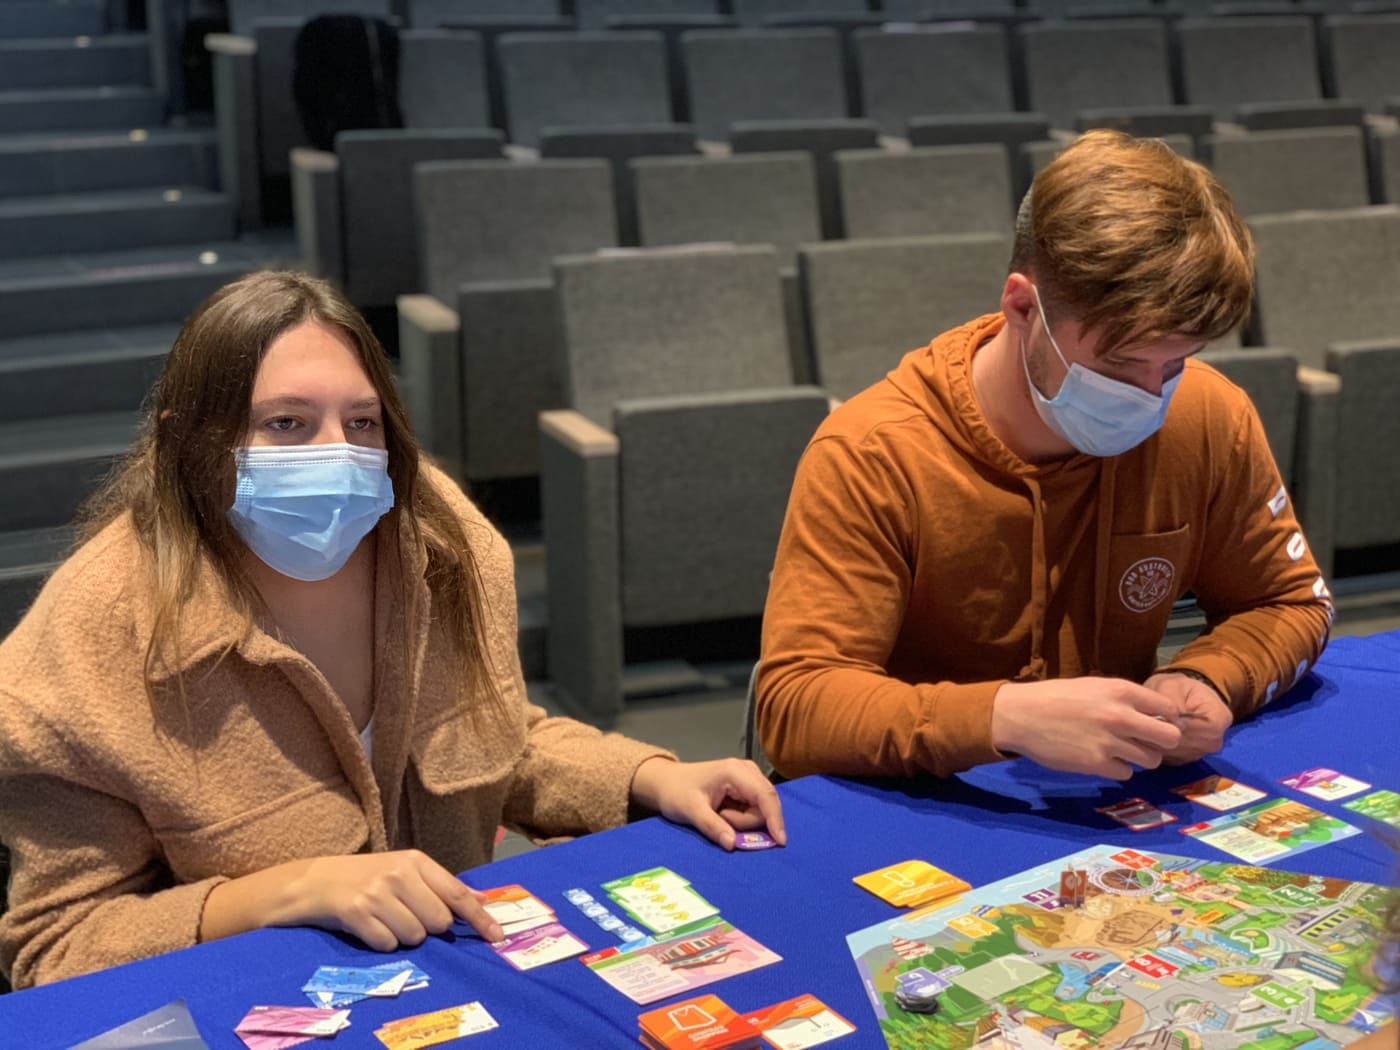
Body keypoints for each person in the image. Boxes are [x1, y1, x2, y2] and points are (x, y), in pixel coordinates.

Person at [0, 271, 784, 990]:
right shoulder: (83, 648)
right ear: (187, 443)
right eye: (286, 423)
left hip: (452, 985)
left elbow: (496, 738)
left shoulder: (445, 542)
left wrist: (647, 778)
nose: (337, 455)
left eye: (362, 421)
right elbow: (58, 948)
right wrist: (282, 894)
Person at [756, 129, 1333, 782]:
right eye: (1120, 365)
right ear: (1022, 306)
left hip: (1106, 794)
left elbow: (1291, 604)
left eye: (1176, 362)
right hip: (913, 799)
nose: (1151, 394)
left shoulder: (1206, 414)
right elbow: (797, 709)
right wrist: (1006, 718)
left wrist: (1209, 677)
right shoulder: (873, 452)